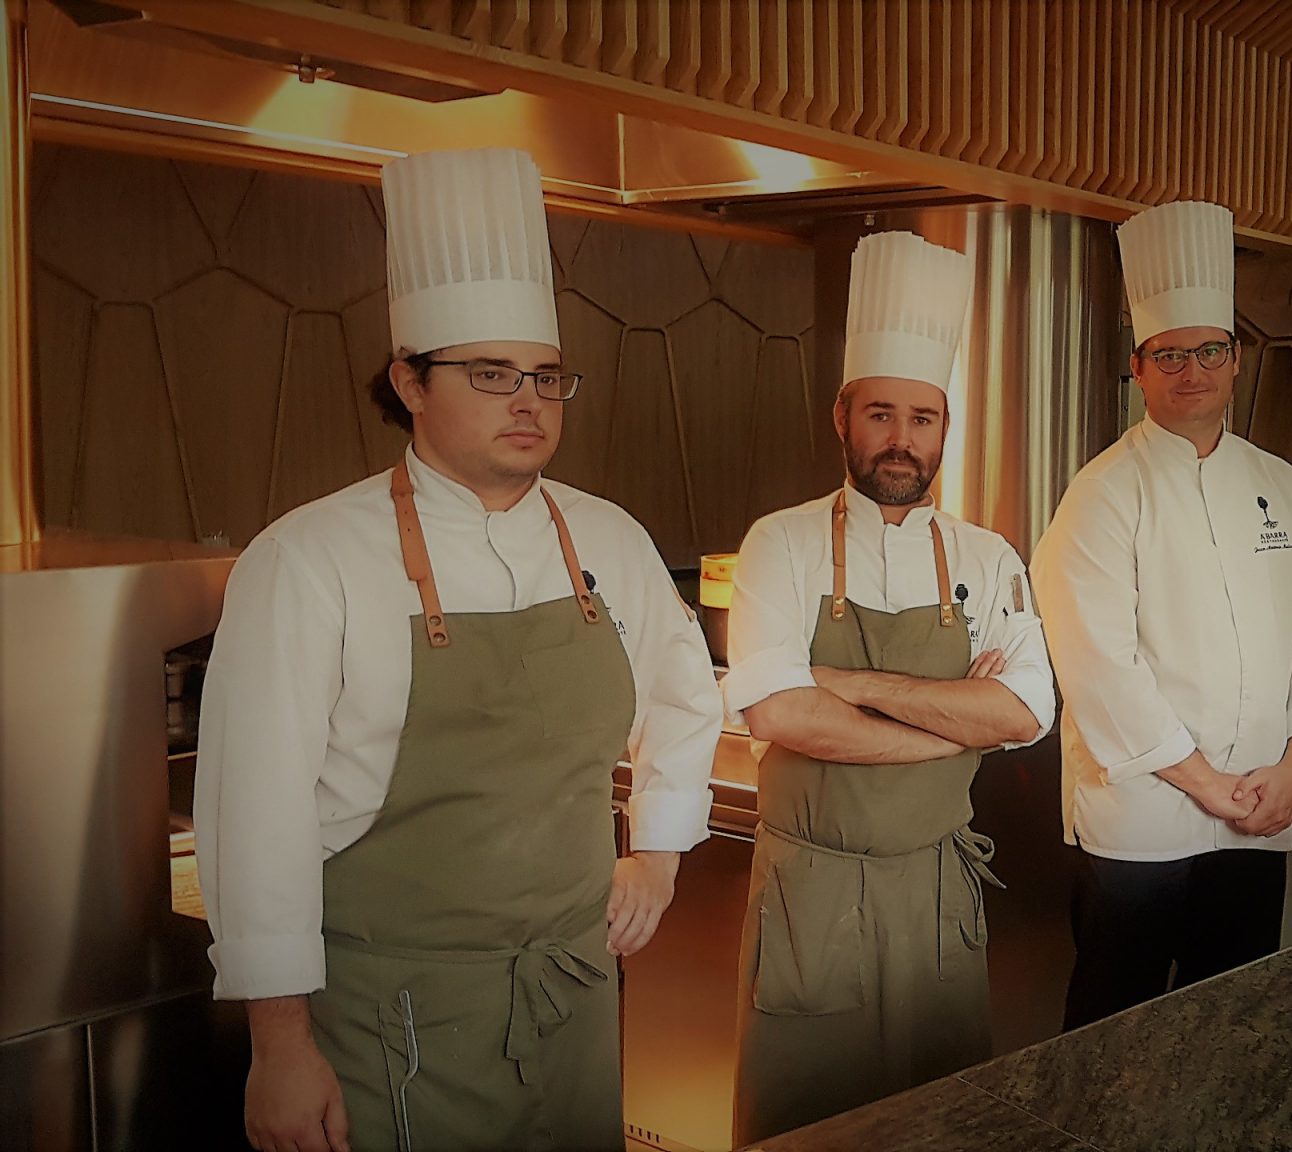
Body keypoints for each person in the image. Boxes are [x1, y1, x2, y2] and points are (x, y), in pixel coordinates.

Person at [195, 147, 722, 1152]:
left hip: (570, 996)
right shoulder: (308, 558)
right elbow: (253, 817)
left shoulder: (606, 536)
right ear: (408, 380)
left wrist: (655, 857)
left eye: (545, 377)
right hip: (397, 1013)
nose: (528, 402)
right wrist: (278, 1045)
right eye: (490, 375)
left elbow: (687, 697)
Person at [722, 230, 1056, 1143]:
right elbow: (779, 710)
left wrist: (849, 681)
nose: (901, 441)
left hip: (937, 890)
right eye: (880, 415)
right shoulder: (778, 545)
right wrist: (957, 729)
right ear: (842, 416)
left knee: (941, 1118)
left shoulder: (987, 558)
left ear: (946, 425)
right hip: (811, 891)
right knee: (802, 1122)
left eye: (923, 418)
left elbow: (1028, 710)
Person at [1031, 199, 1292, 1030]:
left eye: (1209, 350)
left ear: (1237, 362)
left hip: (1261, 804)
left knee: (1234, 1016)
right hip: (1145, 817)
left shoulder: (1278, 483)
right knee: (1114, 1021)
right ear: (1139, 369)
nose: (1191, 369)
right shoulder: (1100, 495)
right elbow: (1097, 665)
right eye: (1170, 354)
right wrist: (1206, 783)